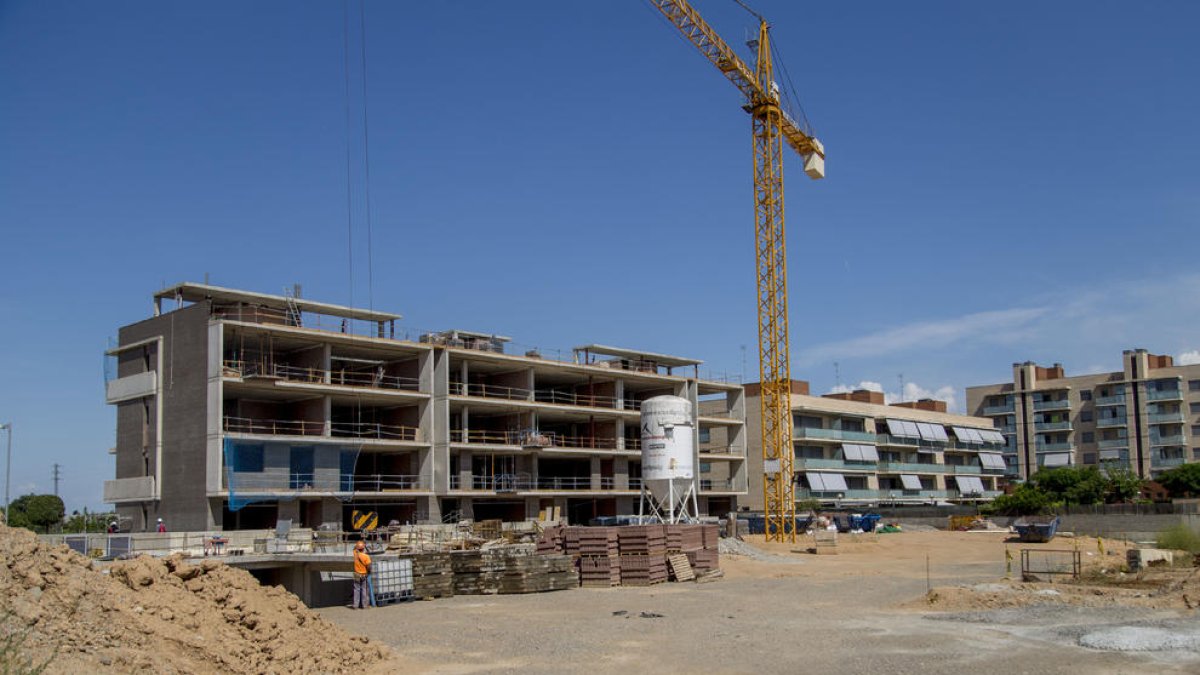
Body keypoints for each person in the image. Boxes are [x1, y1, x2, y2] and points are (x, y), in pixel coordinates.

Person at [352, 541, 372, 609]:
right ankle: (364, 605)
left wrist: (358, 545)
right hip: (363, 574)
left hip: (356, 574)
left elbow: (354, 548)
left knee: (356, 590)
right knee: (364, 590)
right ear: (363, 548)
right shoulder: (366, 556)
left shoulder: (355, 554)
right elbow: (369, 566)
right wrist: (369, 572)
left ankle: (355, 605)